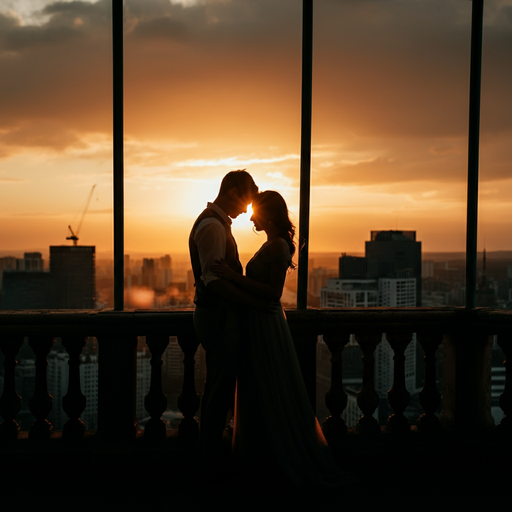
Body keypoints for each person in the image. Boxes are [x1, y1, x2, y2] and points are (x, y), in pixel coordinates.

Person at [212, 190, 344, 487]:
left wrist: (233, 278)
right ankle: (261, 459)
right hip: (258, 319)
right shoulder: (273, 244)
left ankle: (269, 462)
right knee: (259, 387)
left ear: (269, 214)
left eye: (255, 210)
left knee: (267, 385)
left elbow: (273, 293)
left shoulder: (278, 246)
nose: (250, 215)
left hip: (265, 323)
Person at [189, 169, 269, 472]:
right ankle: (209, 462)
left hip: (218, 315)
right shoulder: (212, 225)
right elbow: (212, 280)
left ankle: (208, 457)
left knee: (218, 387)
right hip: (218, 316)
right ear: (233, 192)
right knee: (220, 390)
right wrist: (252, 301)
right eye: (246, 200)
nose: (247, 209)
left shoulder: (216, 222)